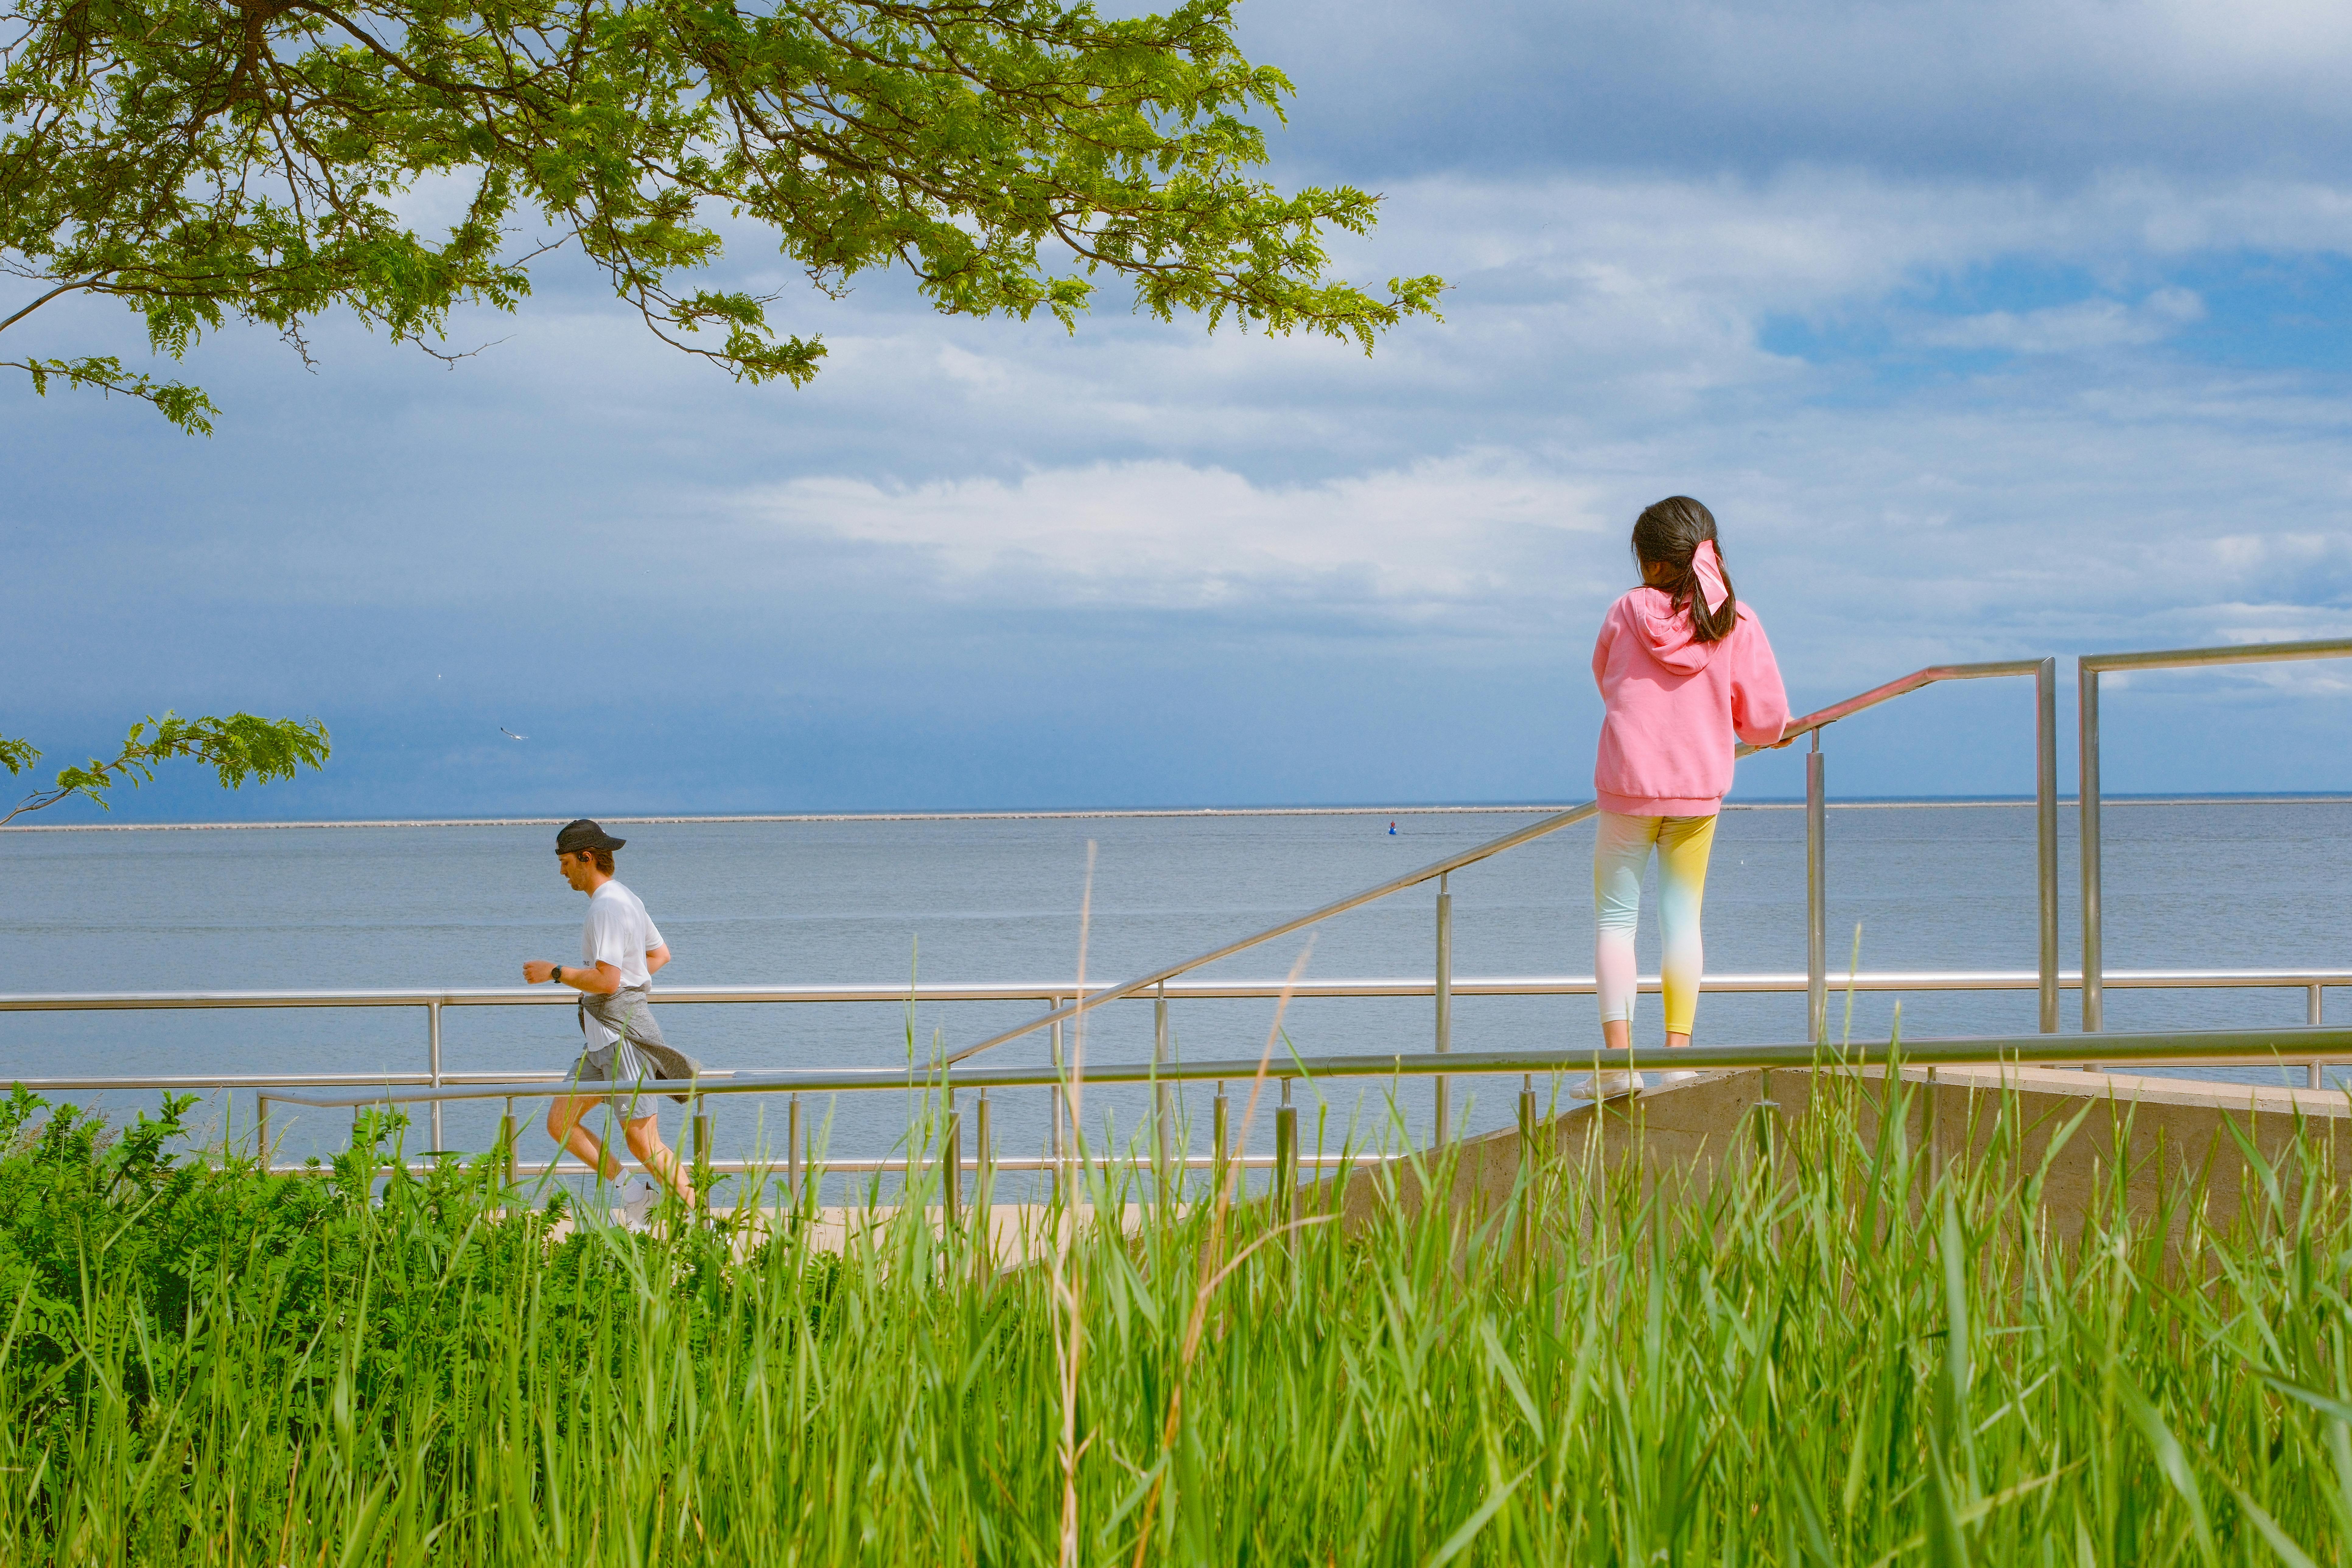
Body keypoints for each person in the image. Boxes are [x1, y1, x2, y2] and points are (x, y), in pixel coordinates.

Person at [1583, 496, 1790, 1098]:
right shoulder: (1735, 620)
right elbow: (1766, 721)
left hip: (1627, 787)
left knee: (1617, 922)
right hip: (1698, 793)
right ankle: (1677, 1060)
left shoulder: (1625, 611)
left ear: (1647, 564)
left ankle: (1621, 1066)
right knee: (1682, 921)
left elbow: (1605, 677)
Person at [522, 818, 700, 1226]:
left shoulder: (607, 906)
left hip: (624, 1039)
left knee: (643, 1140)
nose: (562, 871)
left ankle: (702, 1221)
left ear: (587, 858)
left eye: (566, 862)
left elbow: (607, 980)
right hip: (602, 1041)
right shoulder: (626, 900)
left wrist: (555, 972)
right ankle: (636, 1195)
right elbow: (659, 955)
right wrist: (631, 984)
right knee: (560, 1122)